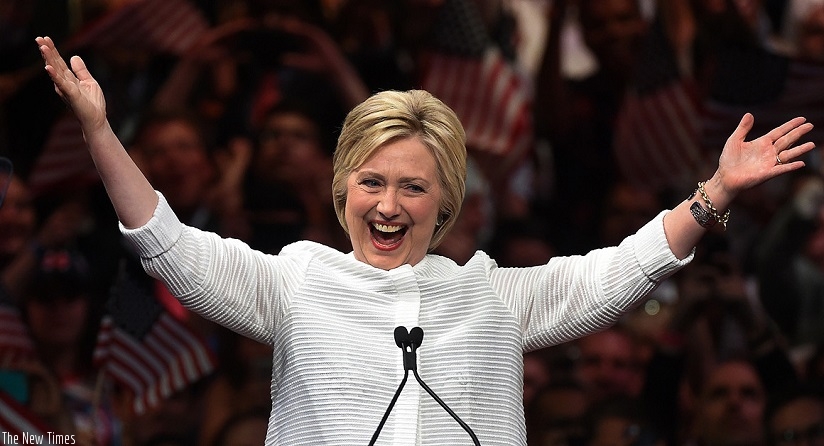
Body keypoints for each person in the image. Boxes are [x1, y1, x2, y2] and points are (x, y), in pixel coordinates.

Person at [35, 34, 816, 446]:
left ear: (444, 203)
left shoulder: (491, 294)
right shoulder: (296, 280)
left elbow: (619, 271)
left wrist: (714, 194)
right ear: (342, 189)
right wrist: (101, 131)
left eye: (413, 186)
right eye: (371, 182)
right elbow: (165, 240)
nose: (388, 203)